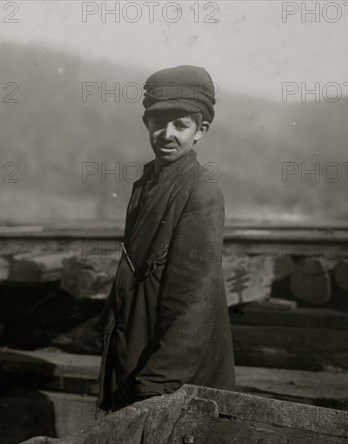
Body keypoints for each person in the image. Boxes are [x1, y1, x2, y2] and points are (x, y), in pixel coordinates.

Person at [95, 65, 236, 413]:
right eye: (158, 123)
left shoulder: (201, 191)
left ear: (201, 130)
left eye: (181, 125)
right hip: (139, 360)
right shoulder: (146, 185)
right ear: (147, 124)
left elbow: (193, 303)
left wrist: (154, 388)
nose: (167, 134)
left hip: (174, 379)